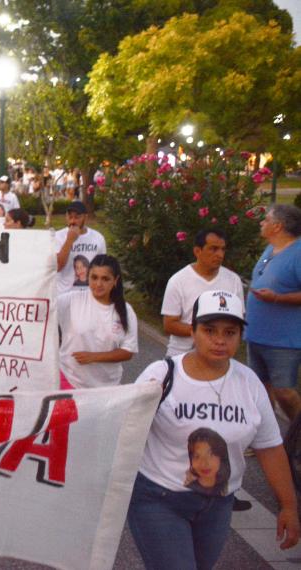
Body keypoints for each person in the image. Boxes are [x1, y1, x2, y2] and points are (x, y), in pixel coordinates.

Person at [129, 290, 299, 569]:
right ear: (193, 330)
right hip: (159, 500)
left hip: (218, 506)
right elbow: (123, 431)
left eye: (230, 332)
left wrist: (289, 506)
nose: (220, 340)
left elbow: (269, 447)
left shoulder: (249, 383)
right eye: (210, 330)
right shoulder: (161, 375)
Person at [245, 204, 301, 421]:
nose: (262, 223)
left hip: (283, 341)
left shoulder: (297, 253)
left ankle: (297, 437)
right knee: (259, 390)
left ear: (278, 226)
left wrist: (277, 298)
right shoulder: (271, 248)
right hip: (256, 335)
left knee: (284, 392)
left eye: (266, 220)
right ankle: (266, 437)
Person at [58, 254, 137, 388]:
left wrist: (94, 357)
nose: (98, 284)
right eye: (94, 277)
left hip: (107, 387)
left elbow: (127, 351)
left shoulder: (126, 310)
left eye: (105, 279)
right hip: (69, 380)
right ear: (88, 277)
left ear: (115, 280)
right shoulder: (71, 300)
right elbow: (41, 307)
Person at [162, 229, 244, 357]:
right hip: (181, 355)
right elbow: (169, 325)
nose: (220, 255)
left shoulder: (233, 280)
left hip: (219, 357)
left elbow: (239, 320)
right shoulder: (178, 281)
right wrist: (206, 332)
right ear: (197, 251)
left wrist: (219, 335)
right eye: (213, 249)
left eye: (223, 249)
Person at [55, 201, 106, 295]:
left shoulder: (98, 238)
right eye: (70, 217)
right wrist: (69, 240)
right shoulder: (58, 237)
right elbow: (57, 266)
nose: (73, 221)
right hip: (64, 294)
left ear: (85, 218)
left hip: (89, 294)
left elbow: (102, 268)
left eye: (77, 217)